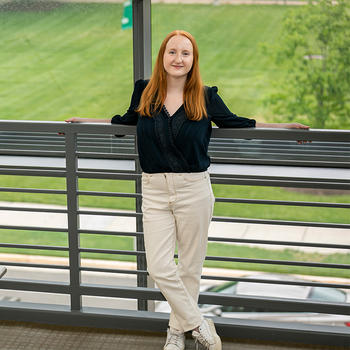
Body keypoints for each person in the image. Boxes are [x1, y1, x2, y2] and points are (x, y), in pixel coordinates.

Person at [66, 30, 309, 350]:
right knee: (159, 267)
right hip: (154, 189)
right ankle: (199, 324)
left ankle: (177, 333)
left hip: (194, 189)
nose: (178, 59)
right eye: (172, 52)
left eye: (185, 53)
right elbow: (125, 122)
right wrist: (81, 122)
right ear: (162, 57)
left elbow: (239, 123)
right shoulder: (145, 91)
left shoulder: (205, 96)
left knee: (190, 268)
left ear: (193, 60)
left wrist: (286, 129)